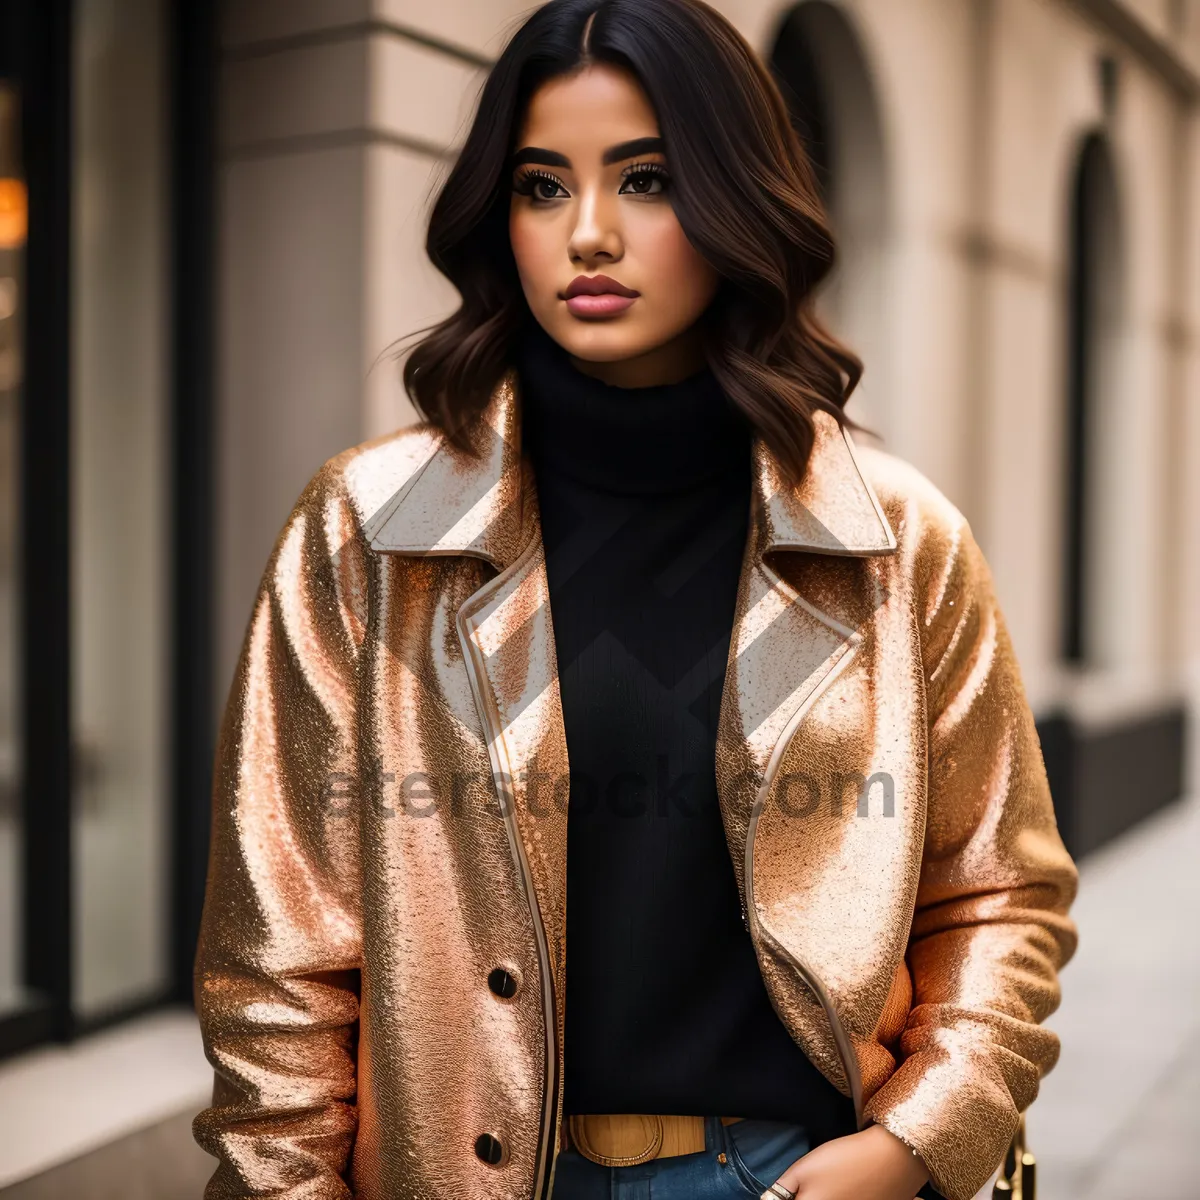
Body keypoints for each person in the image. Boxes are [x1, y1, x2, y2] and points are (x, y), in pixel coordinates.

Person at [191, 2, 1079, 1199]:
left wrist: (915, 1142)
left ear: (736, 199)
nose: (589, 234)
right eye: (542, 187)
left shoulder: (890, 542)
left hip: (790, 1172)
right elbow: (276, 955)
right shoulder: (370, 532)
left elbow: (1000, 893)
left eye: (647, 180)